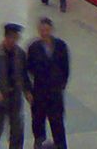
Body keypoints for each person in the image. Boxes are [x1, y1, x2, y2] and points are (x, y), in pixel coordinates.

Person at [0, 23, 30, 149]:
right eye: (11, 37)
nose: (13, 41)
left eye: (16, 38)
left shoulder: (20, 54)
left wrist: (27, 91)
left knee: (17, 128)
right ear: (6, 37)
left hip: (15, 96)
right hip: (0, 99)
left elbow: (24, 74)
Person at [27, 17, 71, 149]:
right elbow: (28, 69)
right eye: (42, 30)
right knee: (38, 122)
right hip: (39, 92)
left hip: (55, 93)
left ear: (51, 30)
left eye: (47, 30)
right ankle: (39, 145)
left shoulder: (61, 46)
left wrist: (60, 84)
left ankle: (61, 145)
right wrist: (29, 90)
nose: (44, 33)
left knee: (57, 122)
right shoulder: (33, 48)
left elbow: (65, 68)